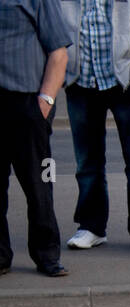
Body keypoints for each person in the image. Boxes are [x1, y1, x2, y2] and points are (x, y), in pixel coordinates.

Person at [59, 0, 130, 251]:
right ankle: (91, 227)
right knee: (87, 162)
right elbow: (51, 27)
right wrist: (63, 72)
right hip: (80, 80)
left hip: (126, 81)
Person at [0, 0, 72, 277]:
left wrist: (45, 101)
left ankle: (47, 256)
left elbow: (59, 52)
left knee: (40, 183)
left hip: (28, 104)